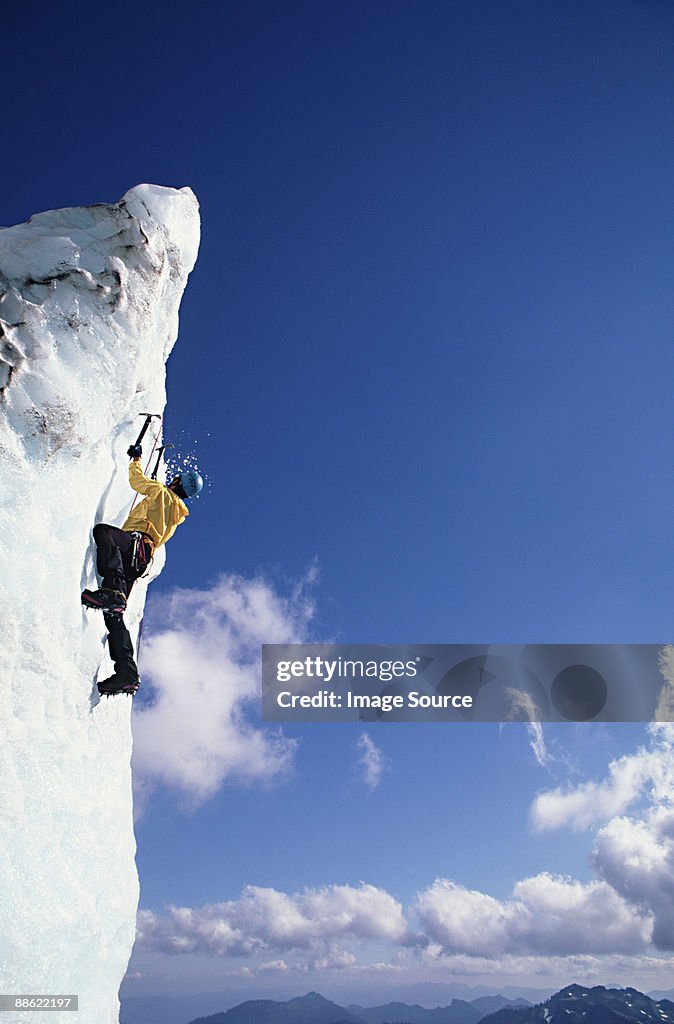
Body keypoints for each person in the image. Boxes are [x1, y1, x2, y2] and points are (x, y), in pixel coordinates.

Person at [82, 444, 203, 696]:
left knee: (104, 533)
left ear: (179, 482)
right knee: (114, 614)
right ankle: (127, 671)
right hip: (141, 558)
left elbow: (137, 482)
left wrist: (136, 458)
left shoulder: (160, 492)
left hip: (133, 545)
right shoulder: (176, 514)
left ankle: (113, 593)